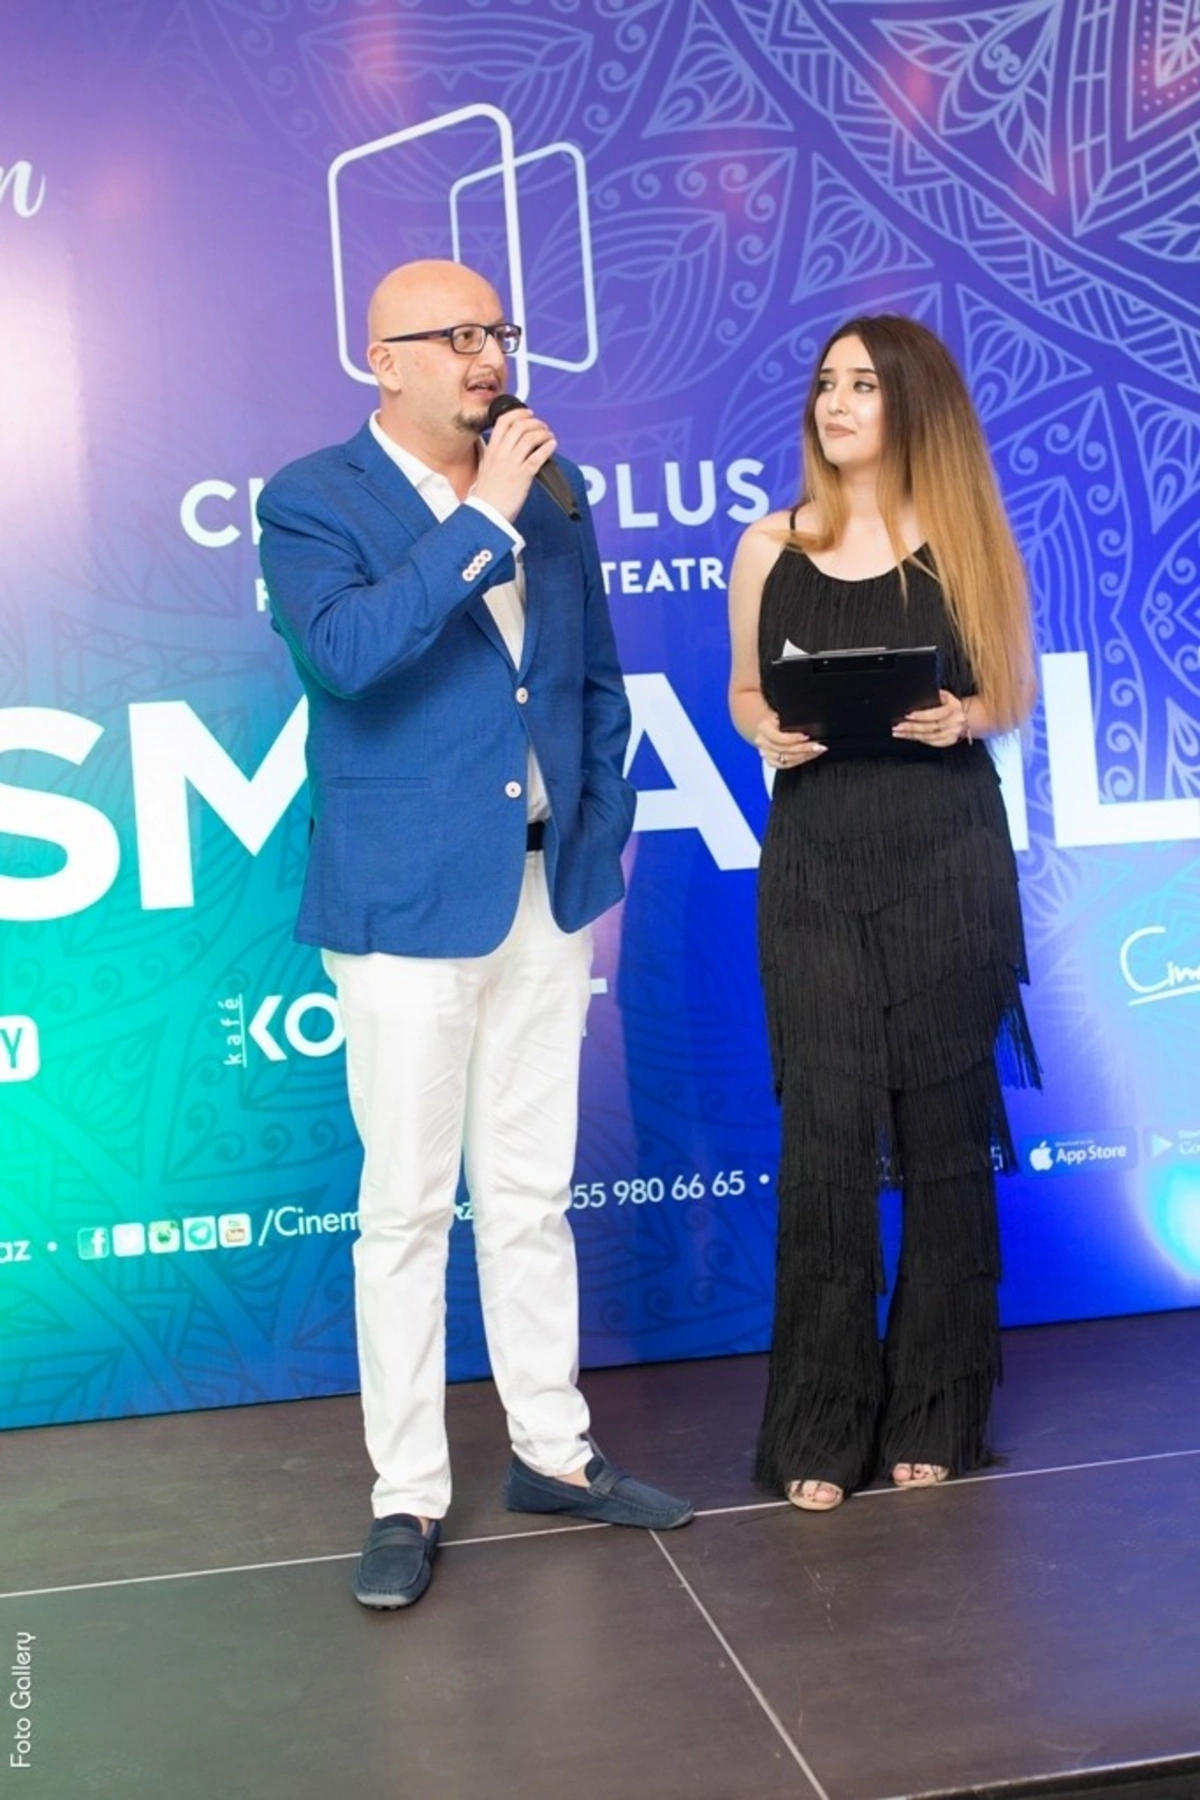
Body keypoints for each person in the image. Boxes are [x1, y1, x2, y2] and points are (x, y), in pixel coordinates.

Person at [257, 258, 693, 1609]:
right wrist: (480, 516)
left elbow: (594, 679)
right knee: (403, 1210)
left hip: (542, 896)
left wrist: (596, 829)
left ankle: (553, 1451)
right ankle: (406, 1492)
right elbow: (347, 655)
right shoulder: (312, 498)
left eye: (495, 330)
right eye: (454, 336)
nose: (487, 354)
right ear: (382, 360)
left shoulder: (556, 487)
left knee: (528, 1194)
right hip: (403, 908)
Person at [727, 314, 1041, 1512]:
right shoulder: (769, 544)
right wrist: (764, 726)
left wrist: (965, 715)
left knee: (945, 1137)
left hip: (948, 858)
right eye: (827, 383)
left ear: (914, 404)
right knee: (826, 1141)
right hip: (815, 860)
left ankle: (938, 1412)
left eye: (863, 384)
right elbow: (744, 687)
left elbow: (1010, 688)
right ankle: (819, 1421)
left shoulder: (965, 542)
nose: (837, 402)